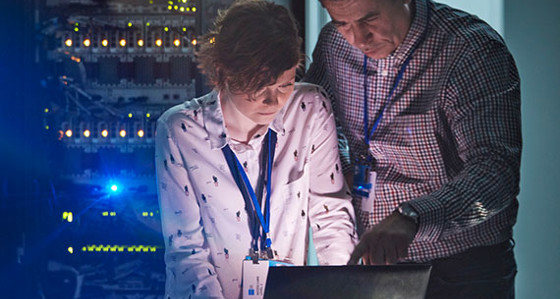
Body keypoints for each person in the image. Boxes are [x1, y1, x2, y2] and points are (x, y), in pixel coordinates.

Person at [304, 0, 521, 298]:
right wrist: (341, 171)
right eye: (342, 23)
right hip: (374, 265)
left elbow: (496, 175)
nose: (357, 38)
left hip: (462, 269)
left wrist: (413, 217)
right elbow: (314, 118)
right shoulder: (334, 44)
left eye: (370, 19)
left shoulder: (470, 49)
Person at [155, 1, 357, 298]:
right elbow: (187, 251)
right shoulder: (181, 131)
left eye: (285, 84)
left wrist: (346, 291)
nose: (273, 102)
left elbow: (332, 216)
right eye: (259, 86)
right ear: (222, 73)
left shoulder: (308, 108)